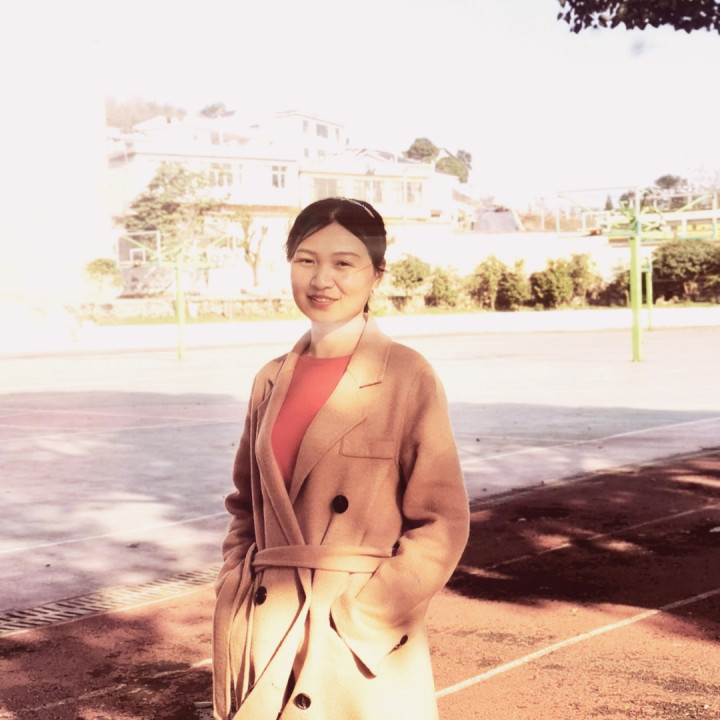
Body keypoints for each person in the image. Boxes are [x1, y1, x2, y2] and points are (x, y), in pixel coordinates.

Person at [212, 197, 469, 720]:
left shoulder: (407, 375)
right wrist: (235, 582)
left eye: (343, 263)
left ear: (377, 274)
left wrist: (365, 619)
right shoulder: (270, 379)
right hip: (267, 623)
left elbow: (442, 521)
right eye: (305, 260)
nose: (321, 279)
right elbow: (245, 505)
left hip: (355, 643)